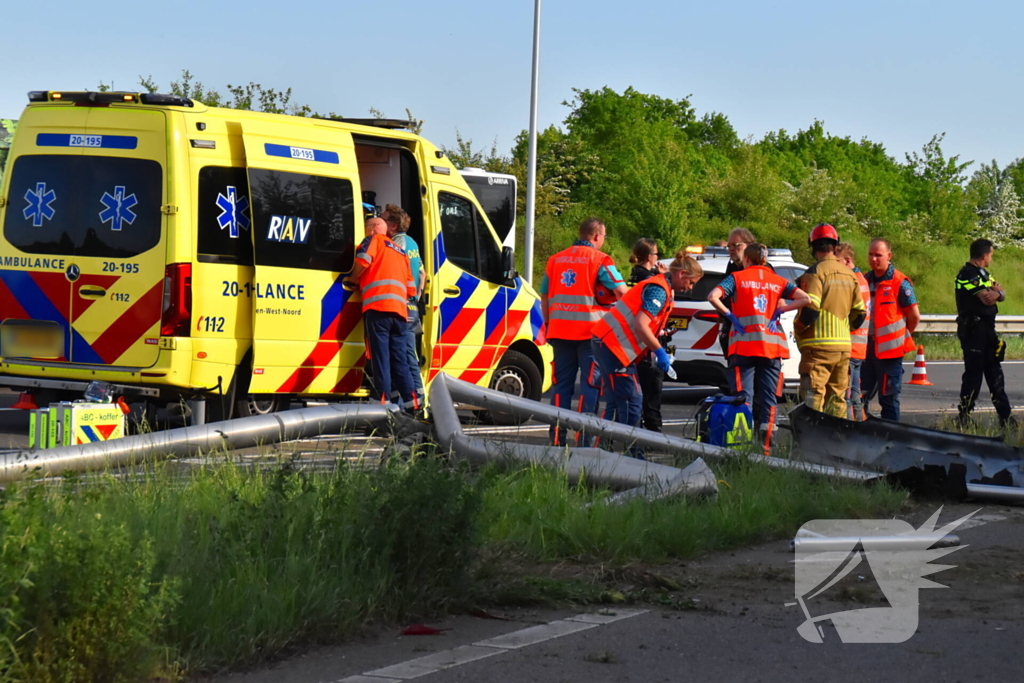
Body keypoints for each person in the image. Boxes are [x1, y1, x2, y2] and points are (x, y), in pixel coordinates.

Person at [591, 251, 703, 455]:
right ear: (681, 274)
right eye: (691, 282)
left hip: (608, 342)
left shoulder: (662, 287)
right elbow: (641, 325)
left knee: (618, 401)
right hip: (613, 346)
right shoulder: (659, 289)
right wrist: (659, 351)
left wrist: (659, 339)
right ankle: (631, 454)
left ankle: (603, 451)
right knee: (632, 400)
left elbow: (646, 325)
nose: (691, 287)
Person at [709, 244, 810, 450]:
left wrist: (729, 315)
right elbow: (805, 299)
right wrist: (781, 310)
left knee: (742, 397)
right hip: (771, 348)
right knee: (768, 398)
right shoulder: (778, 281)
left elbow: (713, 296)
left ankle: (742, 445)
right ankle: (766, 448)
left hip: (743, 347)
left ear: (746, 259)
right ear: (764, 260)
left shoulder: (737, 278)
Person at [540, 217, 627, 445]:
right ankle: (584, 441)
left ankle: (557, 440)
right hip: (590, 333)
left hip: (559, 331)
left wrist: (549, 324)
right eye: (604, 237)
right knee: (589, 386)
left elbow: (545, 296)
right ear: (597, 236)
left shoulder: (555, 260)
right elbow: (622, 292)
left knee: (561, 387)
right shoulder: (600, 260)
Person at [795, 224, 867, 417]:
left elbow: (810, 310)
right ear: (835, 246)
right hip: (843, 347)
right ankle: (838, 440)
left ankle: (812, 439)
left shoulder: (815, 273)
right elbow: (860, 313)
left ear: (813, 247)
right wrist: (843, 329)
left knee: (813, 397)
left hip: (817, 347)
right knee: (838, 398)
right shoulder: (850, 275)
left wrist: (799, 329)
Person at [347, 217, 417, 409]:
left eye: (366, 227)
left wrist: (352, 280)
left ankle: (382, 408)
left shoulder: (374, 240)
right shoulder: (401, 252)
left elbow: (363, 260)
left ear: (373, 229)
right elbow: (411, 288)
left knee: (380, 360)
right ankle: (414, 407)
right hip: (400, 314)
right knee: (400, 361)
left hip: (378, 310)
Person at [628, 238, 686, 432]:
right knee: (652, 393)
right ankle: (653, 434)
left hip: (637, 341)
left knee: (635, 394)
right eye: (656, 254)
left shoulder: (635, 274)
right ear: (649, 256)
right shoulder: (651, 281)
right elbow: (648, 315)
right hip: (648, 343)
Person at [955, 238, 1014, 428]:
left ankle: (1005, 416)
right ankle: (964, 415)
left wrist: (998, 293)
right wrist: (996, 294)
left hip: (988, 330)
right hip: (974, 330)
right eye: (990, 255)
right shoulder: (967, 274)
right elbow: (987, 298)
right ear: (984, 255)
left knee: (995, 372)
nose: (991, 258)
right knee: (973, 375)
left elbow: (1000, 292)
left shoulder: (983, 274)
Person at [861, 238, 919, 421]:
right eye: (871, 254)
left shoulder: (900, 283)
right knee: (859, 397)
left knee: (889, 400)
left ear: (889, 256)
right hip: (865, 350)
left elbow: (914, 316)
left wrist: (900, 336)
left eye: (878, 255)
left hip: (890, 354)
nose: (874, 259)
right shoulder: (863, 280)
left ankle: (891, 438)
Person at [382, 204, 425, 399]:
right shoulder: (412, 243)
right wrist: (416, 296)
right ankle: (416, 401)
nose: (380, 222)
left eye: (383, 219)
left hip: (402, 306)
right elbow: (422, 274)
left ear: (392, 226)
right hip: (412, 305)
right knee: (408, 357)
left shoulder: (397, 244)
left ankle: (416, 403)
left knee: (404, 357)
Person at [835, 242, 871, 421]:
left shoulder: (851, 281)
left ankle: (850, 431)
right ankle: (861, 427)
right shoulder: (862, 279)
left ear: (847, 260)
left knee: (846, 397)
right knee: (855, 395)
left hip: (849, 346)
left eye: (837, 261)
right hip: (859, 347)